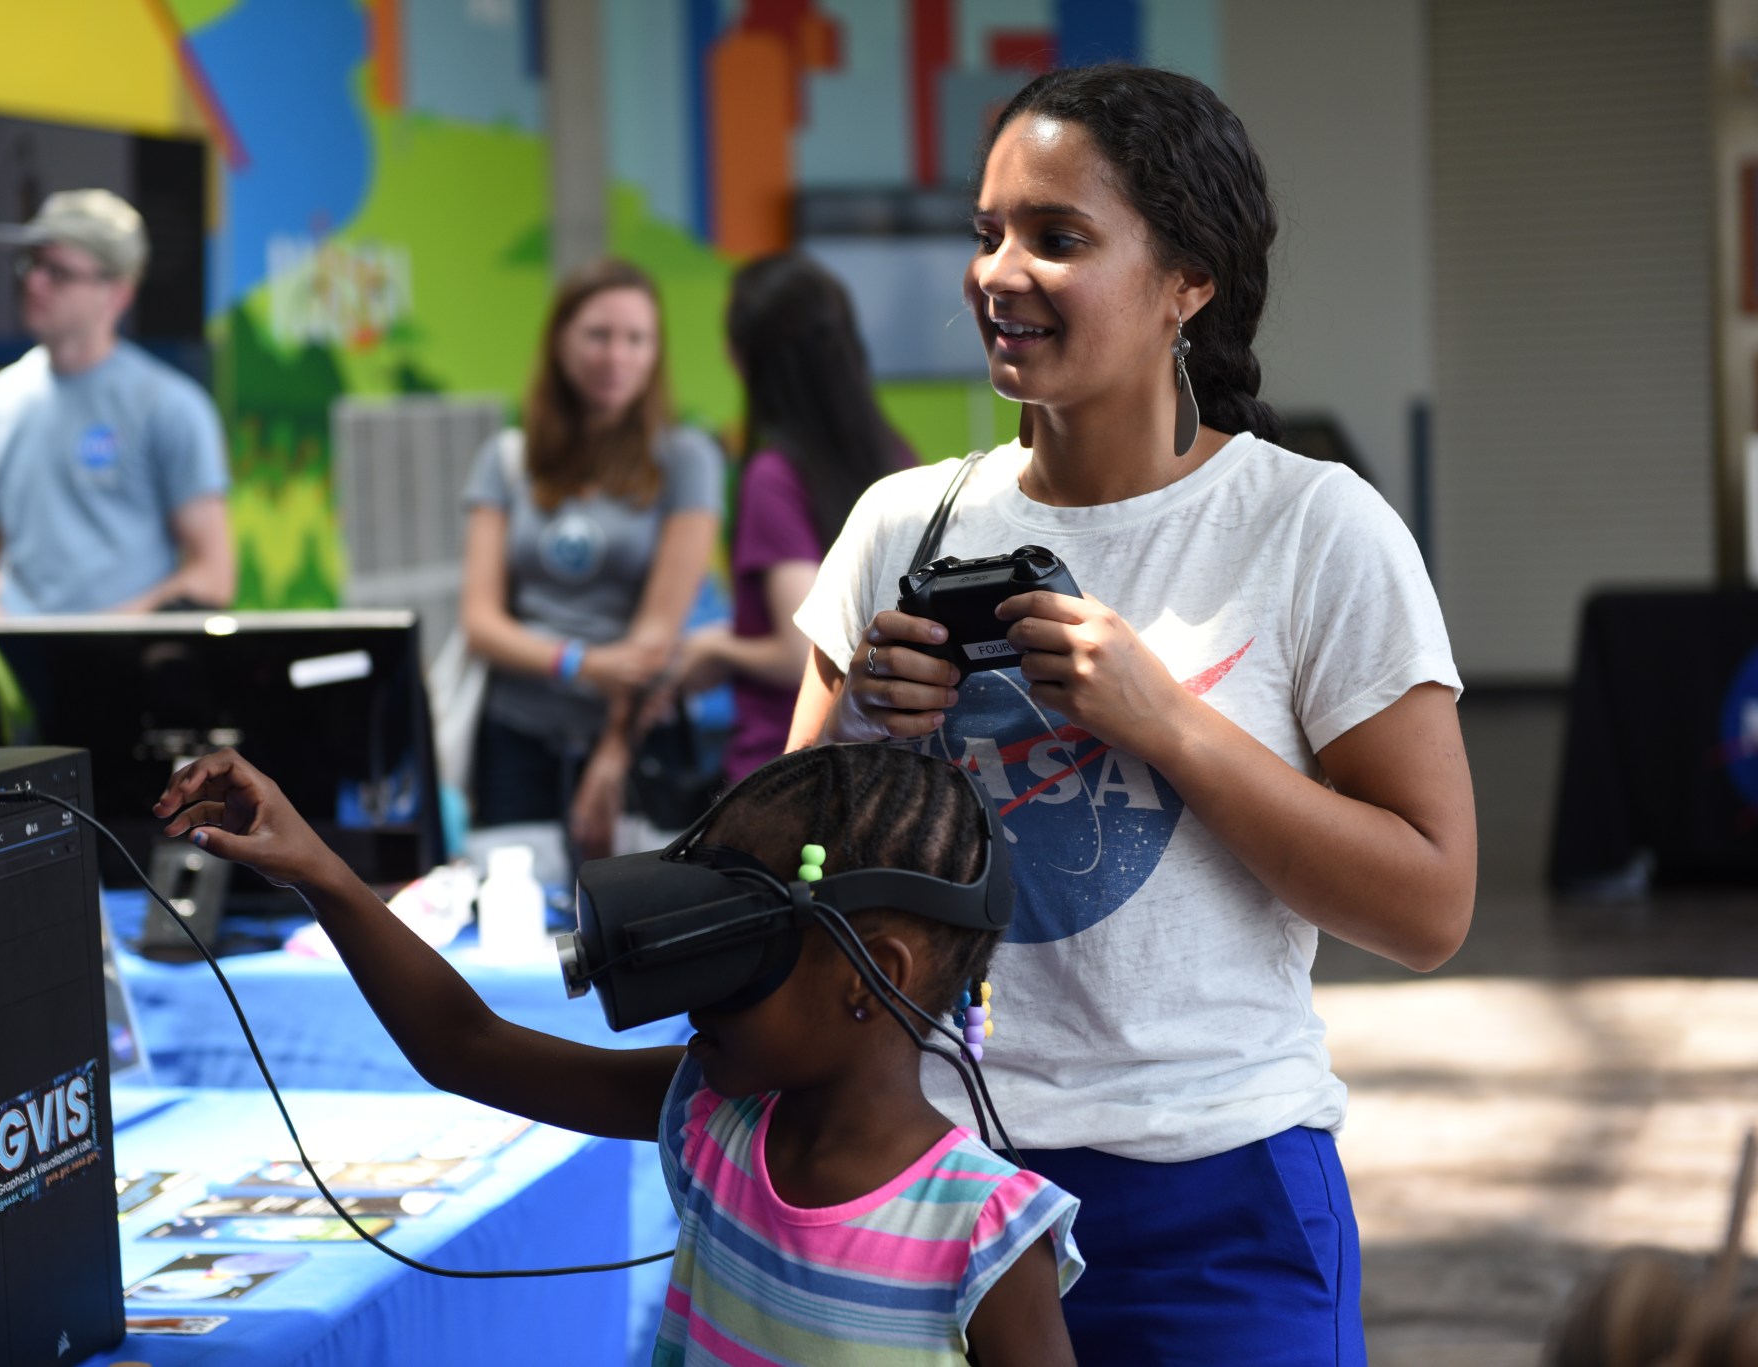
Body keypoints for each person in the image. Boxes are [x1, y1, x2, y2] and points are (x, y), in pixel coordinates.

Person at [787, 65, 1479, 1363]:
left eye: (1057, 237)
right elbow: (785, 877)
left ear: (1188, 282)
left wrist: (1170, 723)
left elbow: (1431, 904)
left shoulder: (1310, 529)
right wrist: (861, 729)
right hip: (927, 1176)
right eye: (987, 231)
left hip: (1213, 1196)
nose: (1001, 271)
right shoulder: (900, 525)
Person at [152, 741, 1084, 1366]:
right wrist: (319, 868)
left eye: (739, 950)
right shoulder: (715, 1120)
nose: (691, 994)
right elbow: (466, 1045)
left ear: (867, 975)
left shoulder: (985, 1234)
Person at [459, 259, 721, 859]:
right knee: (511, 918)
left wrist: (612, 753)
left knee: (631, 922)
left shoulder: (686, 459)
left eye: (637, 339)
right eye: (598, 335)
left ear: (657, 352)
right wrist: (578, 662)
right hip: (514, 735)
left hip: (635, 740)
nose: (616, 356)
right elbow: (481, 621)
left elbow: (656, 635)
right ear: (560, 340)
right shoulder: (506, 458)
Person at [665, 252, 912, 784]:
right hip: (882, 766)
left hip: (785, 771)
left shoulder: (774, 476)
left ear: (749, 358)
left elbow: (797, 650)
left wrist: (714, 647)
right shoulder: (899, 458)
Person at [0, 189, 235, 621]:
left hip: (132, 676)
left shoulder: (169, 407)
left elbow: (213, 574)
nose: (34, 282)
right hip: (27, 678)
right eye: (31, 264)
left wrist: (96, 643)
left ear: (116, 293)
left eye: (57, 272)